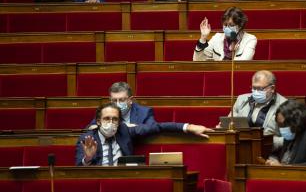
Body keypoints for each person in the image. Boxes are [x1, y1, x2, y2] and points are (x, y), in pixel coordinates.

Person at [76, 102, 213, 166]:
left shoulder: (124, 130)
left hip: (124, 181)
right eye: (107, 119)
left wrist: (188, 127)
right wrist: (88, 158)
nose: (111, 123)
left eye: (115, 119)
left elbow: (158, 127)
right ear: (98, 121)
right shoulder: (87, 138)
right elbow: (78, 172)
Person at [228, 70, 287, 148]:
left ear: (272, 88)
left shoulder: (284, 105)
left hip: (270, 151)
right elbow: (229, 124)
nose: (255, 92)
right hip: (240, 147)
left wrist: (264, 142)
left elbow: (289, 138)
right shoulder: (241, 100)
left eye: (260, 89)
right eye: (253, 88)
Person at [265, 100, 306, 166]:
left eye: (284, 125)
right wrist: (273, 160)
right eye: (280, 125)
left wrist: (283, 167)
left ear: (296, 121)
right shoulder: (291, 135)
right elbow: (282, 157)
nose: (282, 129)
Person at [88, 82, 155, 128]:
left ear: (130, 100)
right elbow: (91, 127)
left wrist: (133, 128)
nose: (117, 104)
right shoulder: (105, 111)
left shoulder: (144, 112)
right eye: (114, 100)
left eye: (121, 100)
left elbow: (151, 129)